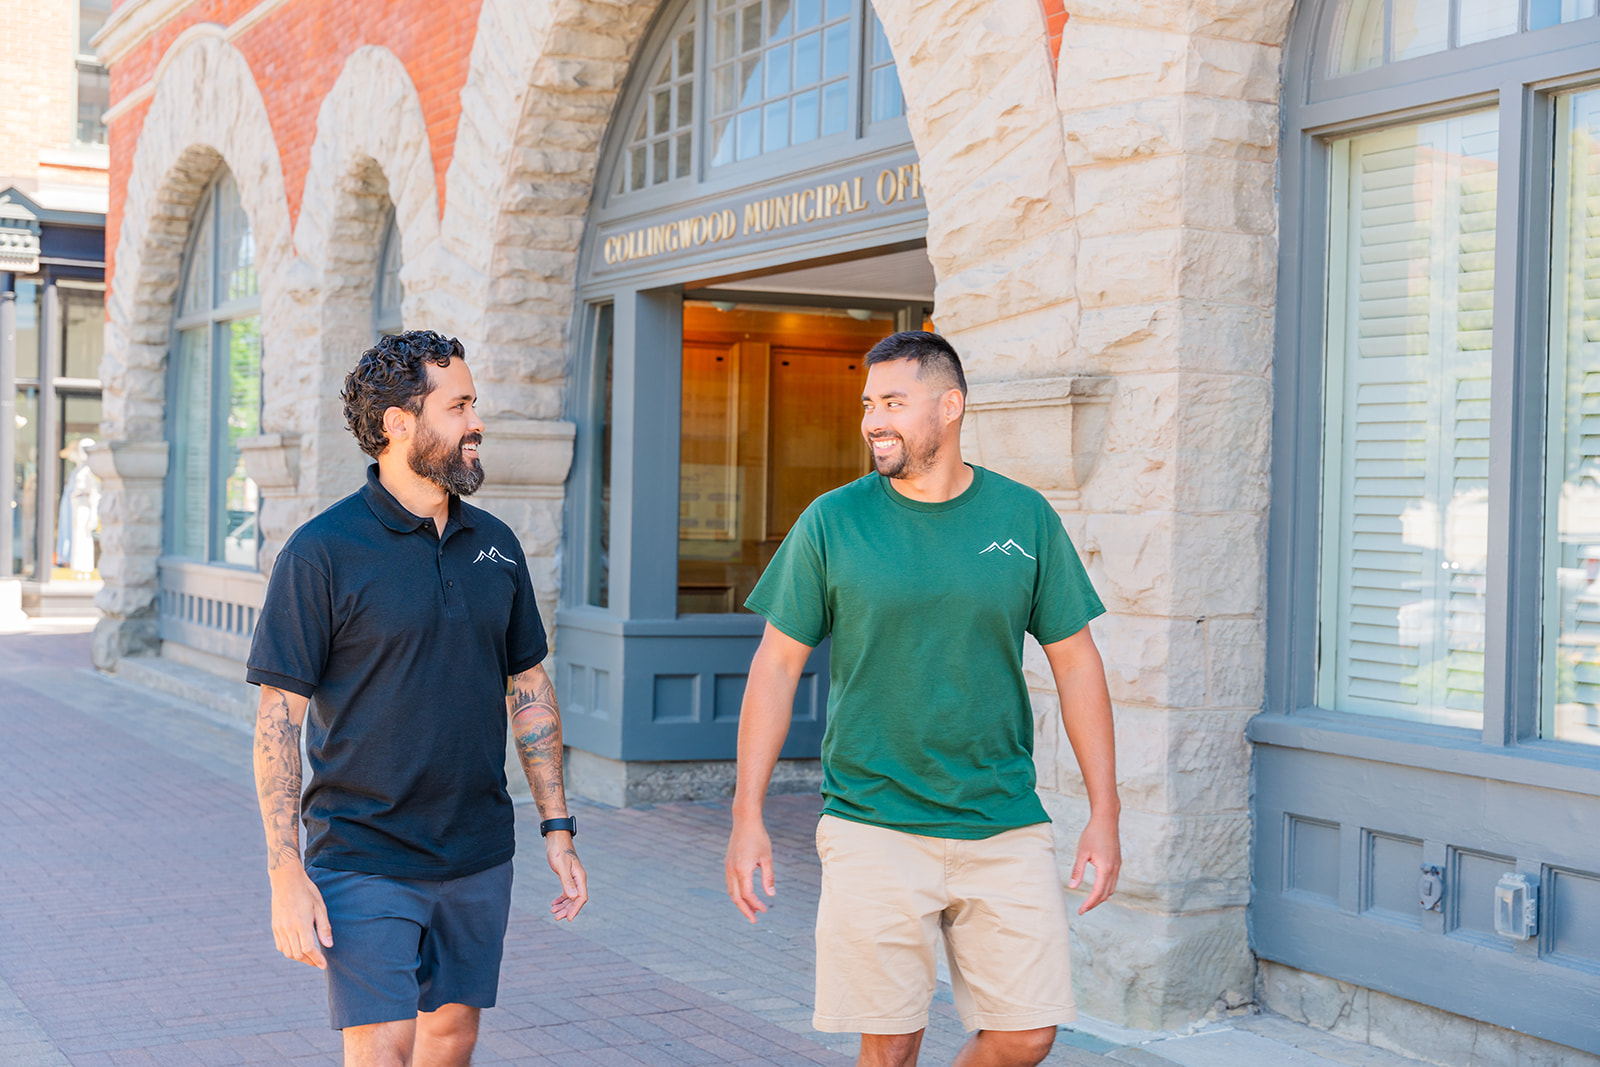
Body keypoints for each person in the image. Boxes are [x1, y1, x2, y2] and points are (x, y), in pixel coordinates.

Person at [724, 331, 1121, 1067]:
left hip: (1002, 816)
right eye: (869, 402)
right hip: (875, 819)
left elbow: (1078, 665)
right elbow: (776, 666)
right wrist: (747, 813)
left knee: (1027, 1031)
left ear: (951, 405)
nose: (875, 418)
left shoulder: (1023, 517)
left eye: (894, 402)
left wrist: (1106, 810)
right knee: (892, 1040)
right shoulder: (833, 521)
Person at [247, 330, 587, 1067]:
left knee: (451, 1037)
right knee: (382, 1045)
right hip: (363, 850)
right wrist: (285, 875)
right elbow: (279, 717)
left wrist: (557, 826)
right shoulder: (321, 551)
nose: (476, 421)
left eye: (474, 403)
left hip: (476, 848)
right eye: (459, 404)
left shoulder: (495, 545)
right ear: (400, 423)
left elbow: (527, 684)